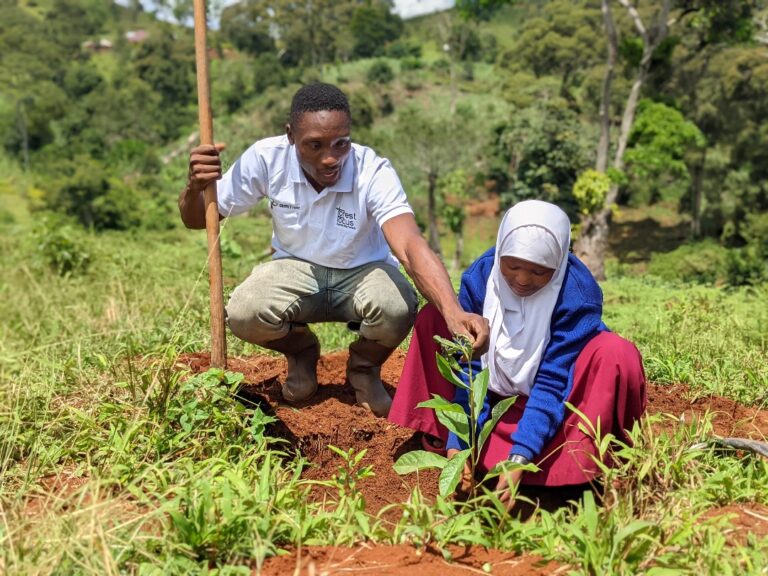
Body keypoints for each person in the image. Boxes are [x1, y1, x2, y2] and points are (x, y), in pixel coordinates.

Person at [179, 82, 488, 417]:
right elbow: (200, 218)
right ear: (290, 136)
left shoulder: (371, 170)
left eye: (341, 144)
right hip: (294, 269)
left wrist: (453, 311)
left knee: (397, 305)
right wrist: (195, 187)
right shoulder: (267, 159)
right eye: (315, 145)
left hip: (363, 272)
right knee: (245, 311)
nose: (330, 158)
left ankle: (364, 368)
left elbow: (410, 244)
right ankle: (301, 351)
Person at [389, 200, 647, 505]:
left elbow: (553, 381)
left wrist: (520, 456)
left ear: (560, 262)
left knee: (616, 352)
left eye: (540, 271)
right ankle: (447, 439)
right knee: (436, 317)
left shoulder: (578, 294)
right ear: (499, 252)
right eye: (511, 266)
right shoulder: (482, 275)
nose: (523, 280)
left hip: (555, 405)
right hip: (492, 396)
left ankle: (574, 467)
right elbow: (470, 367)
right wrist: (460, 444)